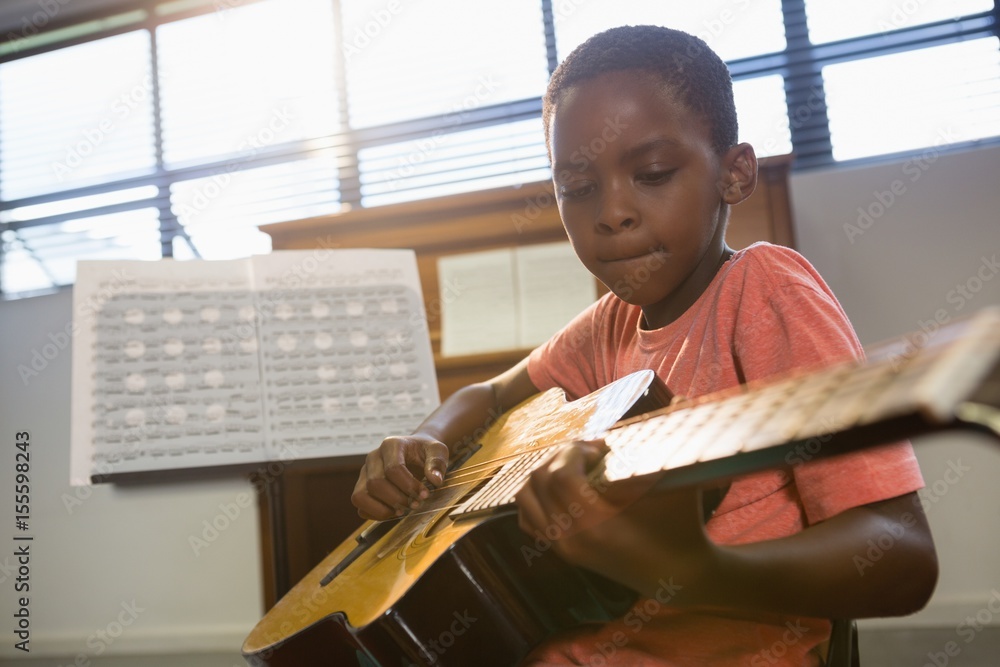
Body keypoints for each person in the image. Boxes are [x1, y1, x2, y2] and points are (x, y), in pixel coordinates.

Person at [352, 25, 938, 666]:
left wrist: (695, 569)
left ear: (735, 173)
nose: (612, 213)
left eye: (653, 174)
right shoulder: (608, 325)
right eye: (578, 189)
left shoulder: (766, 289)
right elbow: (490, 395)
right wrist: (425, 439)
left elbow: (903, 556)